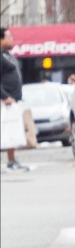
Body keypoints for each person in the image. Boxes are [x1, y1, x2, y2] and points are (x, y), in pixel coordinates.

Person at [1, 26, 29, 172]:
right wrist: (4, 96)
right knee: (7, 130)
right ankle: (11, 161)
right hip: (5, 101)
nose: (12, 39)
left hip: (12, 100)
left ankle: (12, 160)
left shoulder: (7, 55)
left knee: (10, 131)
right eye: (8, 37)